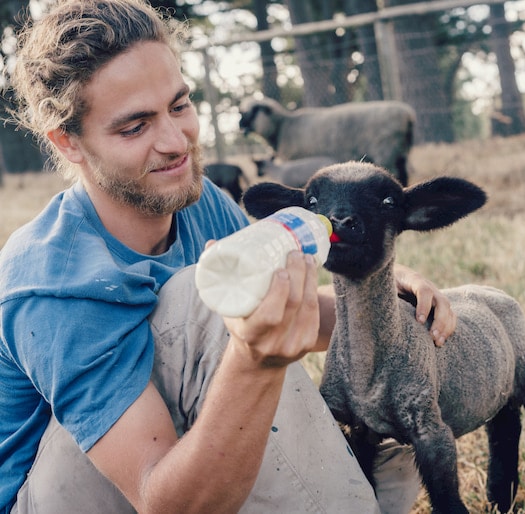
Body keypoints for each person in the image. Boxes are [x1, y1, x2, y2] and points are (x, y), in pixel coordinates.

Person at [0, 1, 457, 512]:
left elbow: (280, 305)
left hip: (174, 459)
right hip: (66, 494)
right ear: (68, 143)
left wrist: (378, 294)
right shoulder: (52, 282)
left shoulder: (194, 199)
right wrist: (253, 361)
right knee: (202, 296)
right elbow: (164, 501)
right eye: (135, 127)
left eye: (179, 105)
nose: (176, 143)